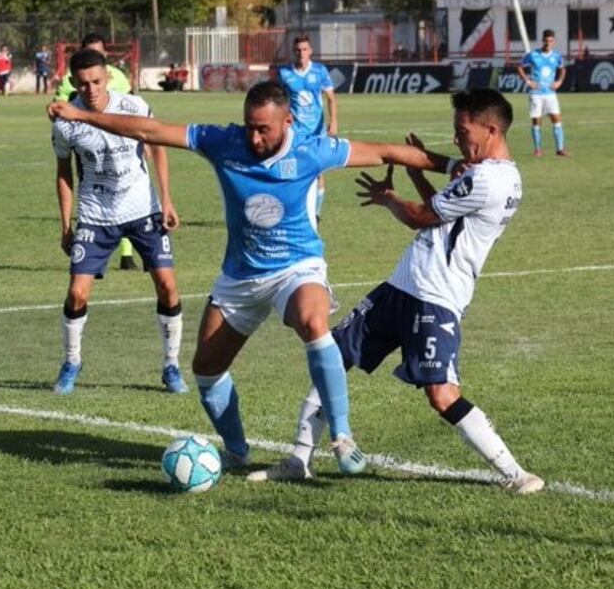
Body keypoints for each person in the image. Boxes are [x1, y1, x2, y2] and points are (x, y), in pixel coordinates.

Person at [47, 80, 454, 474]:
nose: (255, 138)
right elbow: (148, 129)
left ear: (288, 122)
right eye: (250, 127)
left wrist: (451, 165)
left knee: (314, 322)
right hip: (240, 278)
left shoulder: (313, 151)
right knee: (206, 370)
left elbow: (386, 151)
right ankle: (237, 452)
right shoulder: (224, 142)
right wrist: (83, 116)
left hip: (297, 268)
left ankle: (343, 438)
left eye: (264, 129)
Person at [247, 88, 544, 495]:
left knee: (441, 395)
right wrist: (418, 173)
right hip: (401, 285)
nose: (457, 139)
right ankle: (298, 459)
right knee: (332, 355)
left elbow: (421, 217)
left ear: (490, 129)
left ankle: (516, 473)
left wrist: (389, 200)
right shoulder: (498, 175)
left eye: (462, 130)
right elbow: (443, 214)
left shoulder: (488, 180)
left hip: (436, 297)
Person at [49, 49, 189, 397]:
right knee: (77, 292)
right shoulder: (65, 122)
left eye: (96, 81)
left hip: (143, 210)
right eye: (82, 84)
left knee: (168, 286)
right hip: (96, 216)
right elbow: (64, 173)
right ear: (73, 83)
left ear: (107, 78)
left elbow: (158, 145)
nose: (90, 89)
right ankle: (72, 361)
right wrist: (66, 224)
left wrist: (166, 198)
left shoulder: (134, 107)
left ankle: (171, 366)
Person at [53, 32, 137, 271]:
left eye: (100, 53)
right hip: (89, 149)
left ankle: (127, 254)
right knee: (94, 192)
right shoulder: (71, 80)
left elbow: (135, 110)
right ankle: (92, 250)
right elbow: (58, 107)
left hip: (122, 147)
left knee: (126, 193)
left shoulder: (118, 76)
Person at [276, 36, 337, 221]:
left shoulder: (319, 71)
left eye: (304, 49)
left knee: (318, 171)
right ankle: (291, 209)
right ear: (293, 52)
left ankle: (316, 213)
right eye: (298, 50)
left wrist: (333, 122)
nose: (301, 53)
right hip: (294, 131)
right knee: (289, 169)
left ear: (310, 51)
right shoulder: (284, 73)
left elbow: (331, 98)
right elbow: (278, 99)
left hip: (316, 131)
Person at [516, 29, 567, 157]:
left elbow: (562, 69)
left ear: (553, 41)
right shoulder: (533, 55)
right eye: (546, 40)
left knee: (557, 120)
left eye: (550, 41)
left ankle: (560, 149)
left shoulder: (557, 56)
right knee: (536, 121)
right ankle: (538, 150)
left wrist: (559, 82)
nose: (547, 43)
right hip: (536, 93)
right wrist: (528, 81)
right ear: (542, 40)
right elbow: (519, 66)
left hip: (550, 93)